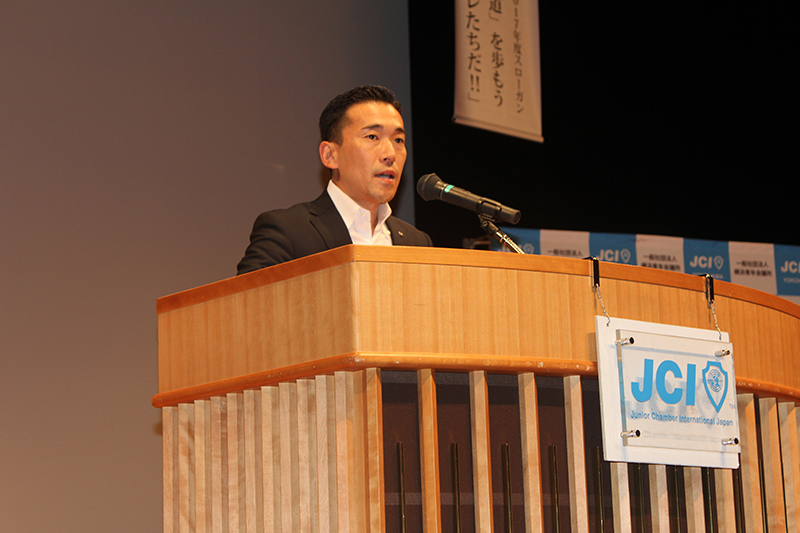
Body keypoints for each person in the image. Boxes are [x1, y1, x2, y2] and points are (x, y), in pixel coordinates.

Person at [237, 85, 432, 274]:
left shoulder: (417, 243)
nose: (390, 154)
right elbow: (247, 296)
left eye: (398, 140)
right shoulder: (288, 232)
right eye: (372, 137)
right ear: (330, 155)